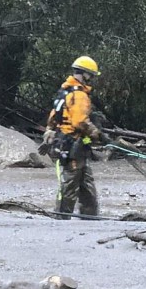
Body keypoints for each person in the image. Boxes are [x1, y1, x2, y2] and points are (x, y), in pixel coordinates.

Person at [41, 56, 102, 219]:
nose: (92, 79)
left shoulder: (65, 91)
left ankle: (91, 217)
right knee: (70, 184)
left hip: (70, 143)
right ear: (85, 74)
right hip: (73, 144)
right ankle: (61, 217)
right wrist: (97, 134)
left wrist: (49, 130)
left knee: (86, 183)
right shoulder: (79, 94)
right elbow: (80, 122)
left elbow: (53, 117)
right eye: (91, 76)